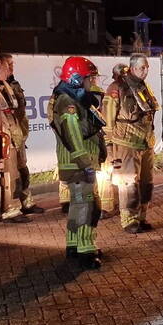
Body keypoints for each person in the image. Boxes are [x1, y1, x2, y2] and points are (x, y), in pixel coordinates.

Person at [51, 57, 106, 268]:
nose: (90, 82)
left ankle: (73, 245)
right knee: (88, 207)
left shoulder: (72, 98)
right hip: (78, 164)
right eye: (87, 78)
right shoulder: (68, 102)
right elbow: (73, 135)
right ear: (75, 78)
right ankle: (86, 250)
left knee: (77, 205)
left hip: (76, 164)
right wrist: (86, 164)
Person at [102, 54, 158, 234]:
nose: (146, 70)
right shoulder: (116, 88)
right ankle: (129, 220)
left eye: (147, 67)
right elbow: (107, 121)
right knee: (128, 183)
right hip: (125, 143)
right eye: (142, 67)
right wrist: (109, 148)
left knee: (146, 183)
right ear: (132, 68)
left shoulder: (144, 87)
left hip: (145, 142)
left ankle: (141, 217)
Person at [0, 53, 44, 221]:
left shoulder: (11, 85)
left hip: (18, 135)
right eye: (8, 64)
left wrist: (22, 134)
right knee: (12, 175)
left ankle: (27, 203)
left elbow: (18, 113)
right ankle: (11, 209)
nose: (11, 68)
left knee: (23, 171)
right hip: (8, 138)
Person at [97, 63, 128, 219]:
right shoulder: (113, 90)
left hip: (122, 140)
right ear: (116, 75)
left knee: (121, 173)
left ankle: (118, 204)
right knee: (107, 173)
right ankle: (107, 206)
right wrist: (109, 141)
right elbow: (108, 119)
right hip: (113, 140)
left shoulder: (127, 88)